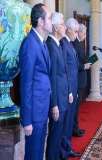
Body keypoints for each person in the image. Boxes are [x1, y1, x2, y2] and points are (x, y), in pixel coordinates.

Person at [19, 3, 53, 160]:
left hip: (42, 110)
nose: (52, 22)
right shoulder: (30, 43)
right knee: (33, 155)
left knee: (39, 153)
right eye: (50, 18)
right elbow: (25, 84)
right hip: (33, 114)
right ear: (41, 21)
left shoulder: (42, 42)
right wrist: (27, 121)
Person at [45, 12, 71, 160]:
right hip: (57, 103)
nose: (65, 28)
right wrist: (54, 104)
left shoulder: (57, 45)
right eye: (62, 24)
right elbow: (52, 78)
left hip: (63, 99)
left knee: (59, 135)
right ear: (55, 27)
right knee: (54, 139)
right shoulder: (51, 46)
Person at [60, 18, 81, 159]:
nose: (77, 34)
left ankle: (68, 148)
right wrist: (70, 91)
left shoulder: (71, 44)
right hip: (68, 91)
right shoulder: (62, 44)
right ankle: (63, 151)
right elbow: (65, 70)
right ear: (68, 29)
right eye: (75, 31)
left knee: (69, 123)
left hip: (73, 90)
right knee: (65, 123)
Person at [72, 24, 91, 137]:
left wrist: (88, 62)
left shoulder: (78, 43)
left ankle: (76, 126)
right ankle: (74, 128)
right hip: (77, 79)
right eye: (84, 33)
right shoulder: (74, 43)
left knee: (77, 106)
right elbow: (74, 63)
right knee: (75, 106)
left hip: (81, 78)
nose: (85, 35)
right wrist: (84, 66)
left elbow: (81, 59)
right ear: (79, 33)